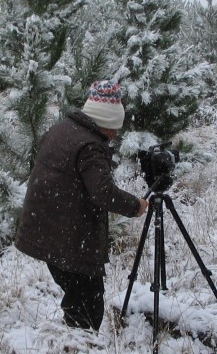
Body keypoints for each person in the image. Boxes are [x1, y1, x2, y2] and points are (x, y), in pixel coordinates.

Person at [15, 81, 149, 331]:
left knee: (78, 296)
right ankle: (80, 350)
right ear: (105, 122)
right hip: (70, 239)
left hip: (46, 230)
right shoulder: (90, 146)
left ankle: (71, 342)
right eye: (114, 128)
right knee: (88, 302)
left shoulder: (62, 129)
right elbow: (103, 193)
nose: (116, 134)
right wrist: (136, 206)